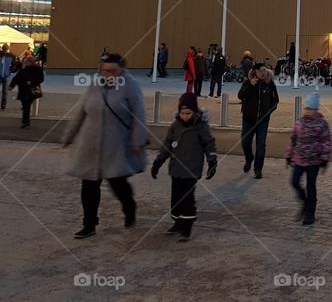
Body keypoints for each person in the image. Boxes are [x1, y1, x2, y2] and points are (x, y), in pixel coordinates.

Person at [61, 53, 148, 239]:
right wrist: (69, 135)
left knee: (118, 184)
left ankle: (129, 207)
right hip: (90, 145)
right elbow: (81, 111)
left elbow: (138, 115)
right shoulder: (94, 84)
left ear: (121, 70)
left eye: (112, 71)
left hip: (116, 145)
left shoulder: (130, 86)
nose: (107, 74)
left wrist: (138, 140)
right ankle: (89, 224)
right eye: (104, 70)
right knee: (89, 186)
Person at [151, 92, 217, 241]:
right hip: (176, 168)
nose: (185, 116)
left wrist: (212, 161)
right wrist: (158, 162)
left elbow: (209, 143)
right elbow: (167, 144)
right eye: (182, 113)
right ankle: (177, 221)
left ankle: (186, 227)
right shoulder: (175, 126)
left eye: (188, 113)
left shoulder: (200, 126)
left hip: (192, 168)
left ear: (194, 112)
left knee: (187, 198)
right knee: (176, 197)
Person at [286, 92, 332, 225]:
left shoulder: (322, 124)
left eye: (310, 109)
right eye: (306, 108)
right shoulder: (299, 122)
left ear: (316, 110)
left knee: (311, 186)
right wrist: (289, 155)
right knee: (294, 182)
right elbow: (293, 139)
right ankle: (304, 201)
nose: (307, 111)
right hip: (299, 159)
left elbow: (326, 142)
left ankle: (310, 213)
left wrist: (325, 158)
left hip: (314, 160)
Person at [237, 63, 279, 179]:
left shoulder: (269, 84)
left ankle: (258, 169)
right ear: (255, 72)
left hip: (263, 120)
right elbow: (240, 96)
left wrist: (268, 111)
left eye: (265, 70)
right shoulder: (248, 82)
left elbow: (275, 100)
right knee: (245, 142)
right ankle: (249, 158)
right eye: (261, 71)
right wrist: (250, 85)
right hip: (248, 119)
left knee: (261, 145)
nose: (263, 73)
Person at [10, 53, 44, 127]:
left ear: (31, 62)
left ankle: (25, 121)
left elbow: (41, 79)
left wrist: (32, 82)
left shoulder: (37, 69)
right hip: (23, 90)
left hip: (31, 90)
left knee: (26, 105)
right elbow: (16, 78)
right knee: (26, 105)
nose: (25, 62)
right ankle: (26, 121)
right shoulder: (23, 70)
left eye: (27, 61)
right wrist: (11, 86)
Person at [0, 44, 15, 110]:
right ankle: (3, 105)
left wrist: (10, 71)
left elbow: (14, 65)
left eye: (6, 49)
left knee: (5, 92)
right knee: (5, 92)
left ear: (8, 49)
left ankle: (3, 105)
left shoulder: (11, 56)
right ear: (2, 49)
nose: (5, 50)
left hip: (6, 76)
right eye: (4, 49)